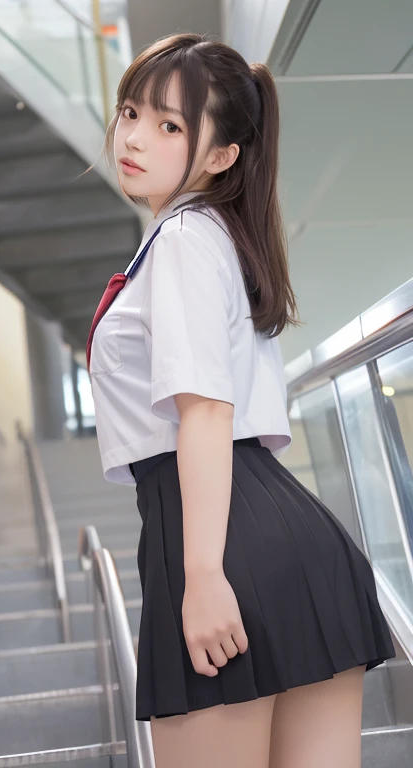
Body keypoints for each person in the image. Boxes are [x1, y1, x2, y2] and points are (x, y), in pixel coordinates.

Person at [84, 32, 396, 768]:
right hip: (289, 538)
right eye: (132, 112)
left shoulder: (188, 238)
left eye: (170, 126)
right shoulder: (207, 235)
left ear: (222, 155)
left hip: (217, 538)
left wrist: (201, 578)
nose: (133, 137)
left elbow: (207, 412)